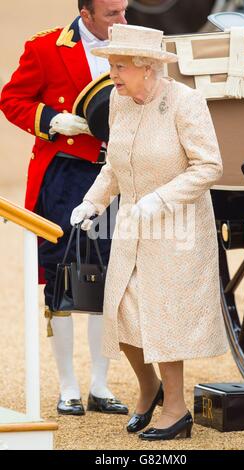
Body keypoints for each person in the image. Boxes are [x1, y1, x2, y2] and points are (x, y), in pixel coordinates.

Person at [71, 23, 228, 440]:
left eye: (119, 66)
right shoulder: (120, 103)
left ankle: (176, 412)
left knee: (163, 318)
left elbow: (209, 166)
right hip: (132, 226)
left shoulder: (185, 102)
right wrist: (93, 202)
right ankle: (149, 387)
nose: (112, 75)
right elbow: (114, 166)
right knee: (120, 312)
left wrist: (158, 200)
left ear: (147, 67)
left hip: (177, 227)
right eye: (111, 66)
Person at [0, 0, 129, 416]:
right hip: (63, 176)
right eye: (112, 14)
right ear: (86, 13)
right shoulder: (44, 48)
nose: (122, 22)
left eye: (124, 10)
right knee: (62, 281)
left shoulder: (133, 43)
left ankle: (100, 384)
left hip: (112, 176)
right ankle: (69, 386)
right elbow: (12, 99)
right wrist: (53, 120)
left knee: (106, 280)